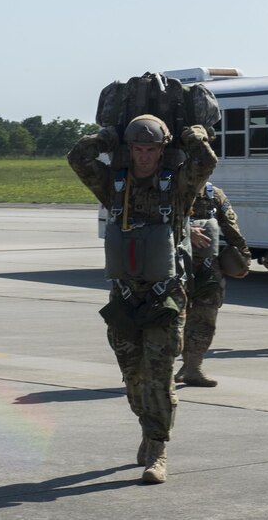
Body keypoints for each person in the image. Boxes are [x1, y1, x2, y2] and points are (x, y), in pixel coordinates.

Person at [67, 115, 216, 484]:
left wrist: (192, 136)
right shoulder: (115, 186)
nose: (145, 157)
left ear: (162, 151)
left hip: (165, 298)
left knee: (159, 377)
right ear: (129, 150)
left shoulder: (177, 188)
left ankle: (157, 448)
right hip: (124, 298)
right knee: (133, 377)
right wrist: (106, 138)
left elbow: (206, 162)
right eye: (137, 149)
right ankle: (146, 428)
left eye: (151, 150)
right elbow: (77, 158)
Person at [174, 182, 251, 387]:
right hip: (174, 266)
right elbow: (156, 221)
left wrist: (244, 257)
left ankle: (193, 366)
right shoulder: (169, 190)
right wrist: (188, 230)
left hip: (207, 267)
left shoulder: (214, 195)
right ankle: (182, 364)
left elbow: (230, 227)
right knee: (176, 318)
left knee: (206, 316)